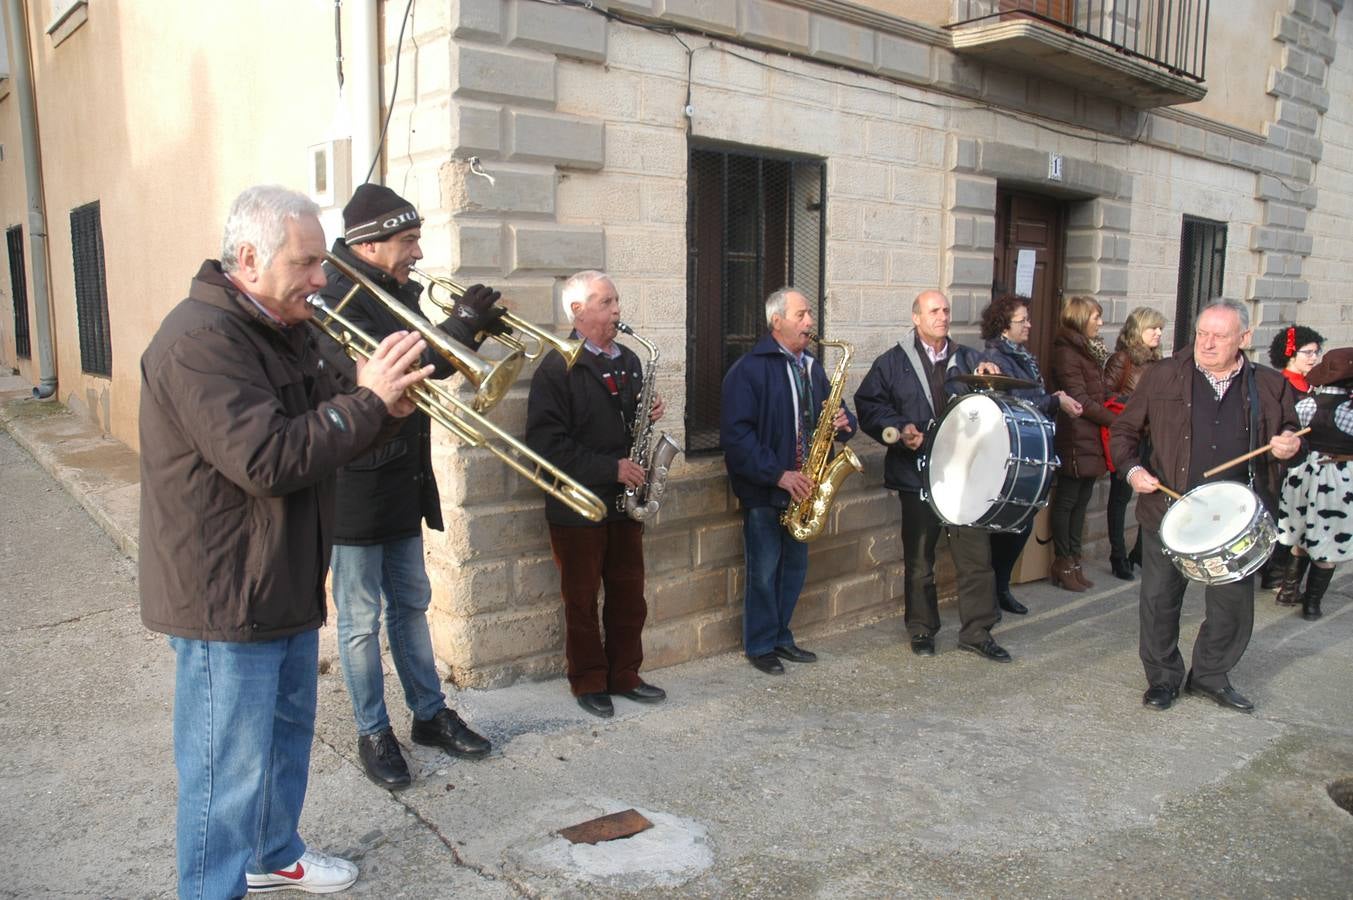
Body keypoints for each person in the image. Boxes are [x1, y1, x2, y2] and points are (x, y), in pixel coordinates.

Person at [139, 185, 434, 897]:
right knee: (224, 770)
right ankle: (212, 889)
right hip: (225, 596)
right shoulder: (198, 343)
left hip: (285, 579)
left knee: (285, 741)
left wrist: (386, 405)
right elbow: (266, 460)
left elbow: (335, 428)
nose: (320, 277)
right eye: (305, 263)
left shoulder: (287, 329)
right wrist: (366, 401)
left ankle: (273, 852)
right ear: (247, 259)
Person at [318, 183, 503, 790]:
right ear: (370, 246)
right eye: (408, 240)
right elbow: (394, 370)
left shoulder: (396, 289)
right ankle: (374, 731)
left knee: (412, 606)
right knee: (358, 622)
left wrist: (470, 330)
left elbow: (440, 363)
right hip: (353, 489)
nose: (418, 252)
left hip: (402, 479)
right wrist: (454, 326)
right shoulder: (336, 299)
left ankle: (428, 714)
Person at [1110, 299, 1301, 713]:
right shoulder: (1163, 376)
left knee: (1231, 605)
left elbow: (1290, 435)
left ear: (1244, 339)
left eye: (1219, 335)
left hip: (1233, 521)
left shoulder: (1268, 385)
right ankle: (1162, 679)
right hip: (1168, 510)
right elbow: (1124, 432)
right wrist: (1132, 471)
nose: (1207, 343)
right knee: (1160, 601)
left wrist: (1290, 445)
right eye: (1201, 334)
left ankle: (1211, 676)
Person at [525, 270, 668, 716]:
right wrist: (612, 468)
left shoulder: (628, 359)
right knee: (582, 598)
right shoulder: (556, 366)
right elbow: (546, 446)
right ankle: (588, 681)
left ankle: (625, 673)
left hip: (625, 503)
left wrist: (648, 412)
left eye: (616, 301)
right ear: (577, 310)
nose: (617, 310)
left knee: (629, 593)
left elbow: (625, 423)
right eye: (606, 303)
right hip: (577, 504)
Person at [853, 289, 1011, 662]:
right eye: (934, 311)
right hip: (917, 472)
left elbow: (995, 408)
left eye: (945, 310)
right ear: (916, 318)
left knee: (975, 557)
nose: (942, 316)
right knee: (920, 559)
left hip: (966, 476)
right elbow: (869, 404)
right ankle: (922, 628)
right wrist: (898, 428)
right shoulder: (892, 363)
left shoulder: (970, 358)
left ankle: (977, 631)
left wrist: (992, 378)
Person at [721, 287, 857, 675]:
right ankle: (760, 644)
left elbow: (838, 415)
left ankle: (782, 636)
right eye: (801, 315)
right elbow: (736, 438)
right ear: (776, 321)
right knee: (763, 571)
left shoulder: (812, 367)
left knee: (794, 570)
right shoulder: (748, 369)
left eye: (809, 314)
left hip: (807, 489)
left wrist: (844, 424)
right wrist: (779, 475)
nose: (810, 323)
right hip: (768, 490)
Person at [979, 294, 1083, 615]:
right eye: (1022, 320)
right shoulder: (997, 357)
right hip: (1011, 450)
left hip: (1031, 447)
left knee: (1022, 524)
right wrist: (1056, 402)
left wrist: (1055, 398)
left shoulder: (1020, 354)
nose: (1029, 324)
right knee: (1009, 525)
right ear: (1004, 326)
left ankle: (1001, 587)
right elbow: (1016, 405)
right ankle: (993, 592)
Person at [1273, 347, 1353, 619]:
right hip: (1338, 479)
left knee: (1301, 532)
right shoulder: (1351, 410)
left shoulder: (1305, 404)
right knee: (1328, 541)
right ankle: (1312, 604)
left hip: (1302, 475)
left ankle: (1287, 591)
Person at [1047, 296, 1116, 591]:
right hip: (1074, 433)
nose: (1100, 323)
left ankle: (1075, 559)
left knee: (1082, 502)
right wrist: (1115, 421)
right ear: (1079, 318)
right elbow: (1080, 399)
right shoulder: (1066, 352)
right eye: (1095, 317)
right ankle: (1063, 562)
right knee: (1067, 500)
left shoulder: (1088, 350)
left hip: (1091, 435)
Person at [1102, 306, 1167, 581]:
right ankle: (1118, 556)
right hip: (1130, 437)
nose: (1158, 333)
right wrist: (1135, 407)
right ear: (1138, 330)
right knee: (1120, 497)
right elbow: (1106, 394)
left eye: (1160, 328)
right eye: (1153, 328)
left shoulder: (1160, 363)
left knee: (1152, 494)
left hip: (1155, 437)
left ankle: (1140, 552)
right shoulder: (1122, 359)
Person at [1262, 325, 1325, 592]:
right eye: (1307, 352)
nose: (1313, 357)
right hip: (1285, 463)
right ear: (1290, 354)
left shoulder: (1313, 386)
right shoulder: (1280, 385)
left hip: (1308, 461)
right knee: (1282, 518)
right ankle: (1273, 575)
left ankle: (1288, 576)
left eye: (1316, 352)